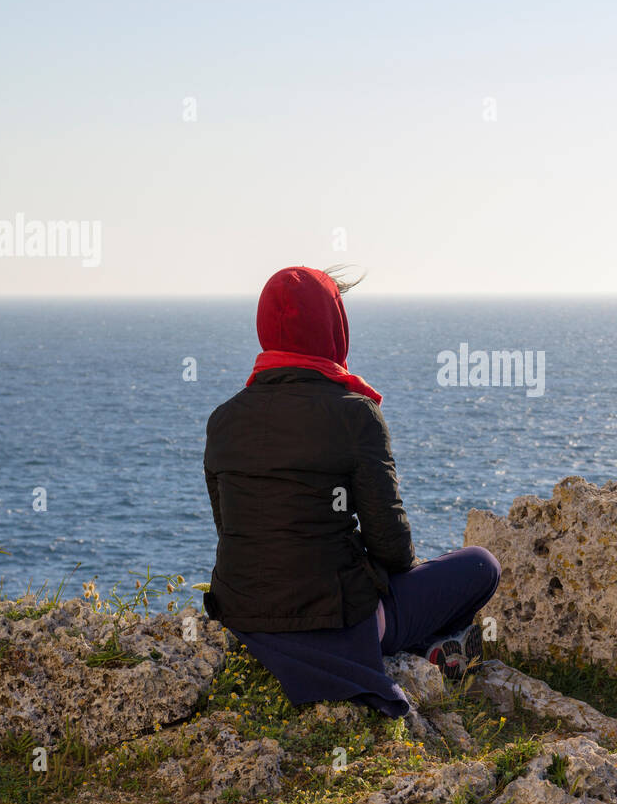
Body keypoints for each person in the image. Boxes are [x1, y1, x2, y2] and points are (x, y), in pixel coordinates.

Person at [202, 265, 501, 717]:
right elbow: (393, 548)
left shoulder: (223, 420)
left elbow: (232, 529)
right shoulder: (355, 415)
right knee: (481, 565)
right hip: (334, 621)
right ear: (333, 328)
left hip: (247, 619)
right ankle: (430, 646)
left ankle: (431, 646)